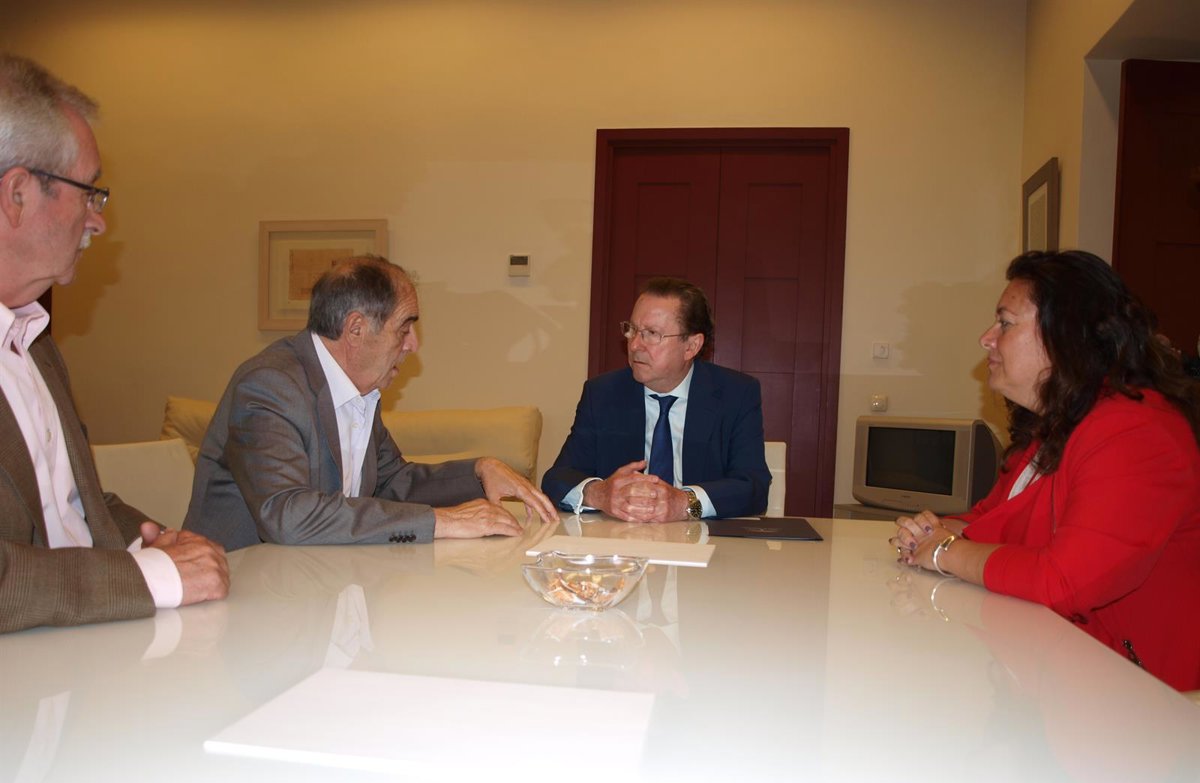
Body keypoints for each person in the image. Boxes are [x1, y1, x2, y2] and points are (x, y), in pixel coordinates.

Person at [891, 250, 1200, 691]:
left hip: (1142, 696)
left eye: (1005, 323)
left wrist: (943, 552)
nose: (986, 338)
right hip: (1062, 668)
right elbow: (989, 520)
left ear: (1066, 336)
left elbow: (1065, 581)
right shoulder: (1057, 426)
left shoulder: (1137, 432)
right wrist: (930, 531)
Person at [0, 54, 229, 632]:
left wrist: (157, 542)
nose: (98, 221)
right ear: (17, 194)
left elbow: (74, 504)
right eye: (88, 192)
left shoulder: (35, 344)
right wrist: (152, 576)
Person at [184, 255, 558, 551]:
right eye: (404, 328)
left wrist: (480, 470)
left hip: (316, 581)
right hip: (241, 590)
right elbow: (287, 515)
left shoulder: (360, 390)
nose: (413, 344)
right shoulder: (270, 386)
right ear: (356, 329)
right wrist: (442, 522)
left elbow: (393, 481)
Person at [542, 276, 770, 522]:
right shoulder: (603, 393)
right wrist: (599, 494)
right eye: (632, 330)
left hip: (704, 539)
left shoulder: (735, 394)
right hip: (621, 537)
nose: (634, 345)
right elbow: (557, 478)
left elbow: (753, 487)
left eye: (652, 334)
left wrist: (685, 503)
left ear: (691, 346)